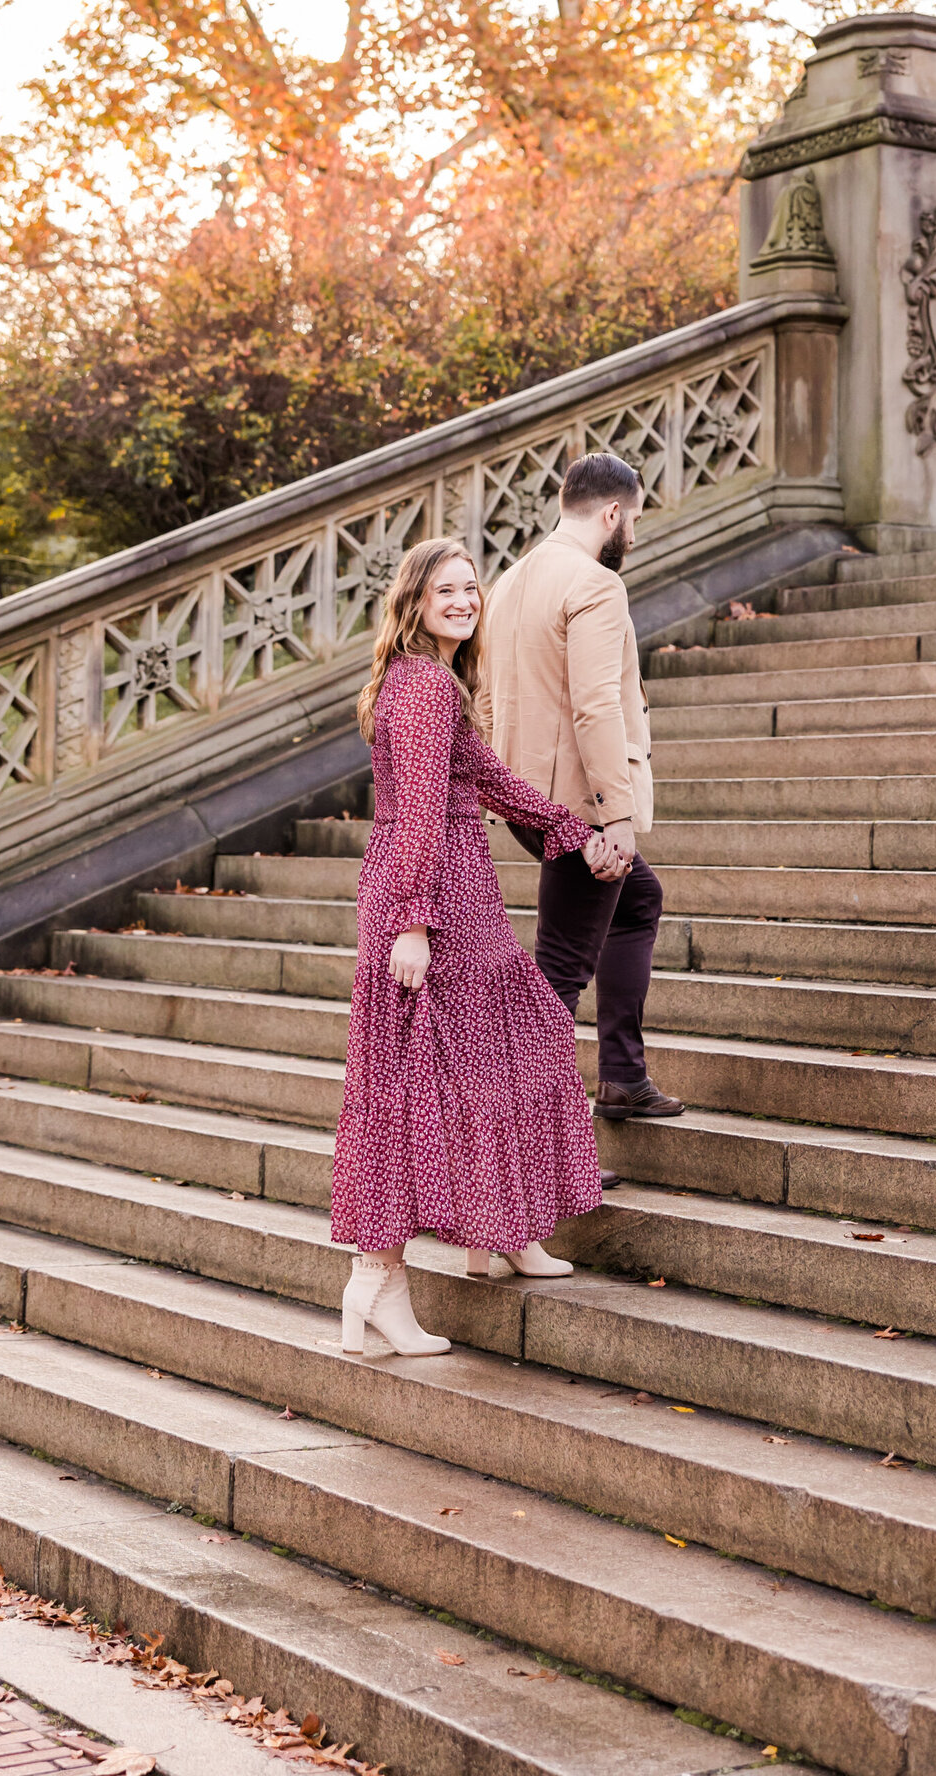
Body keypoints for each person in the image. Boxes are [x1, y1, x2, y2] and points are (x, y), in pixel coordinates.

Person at [330, 535, 625, 1359]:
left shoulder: (429, 681)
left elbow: (489, 779)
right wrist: (415, 922)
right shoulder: (424, 686)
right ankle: (380, 1282)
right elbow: (423, 808)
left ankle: (493, 1231)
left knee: (488, 1058)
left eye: (471, 588)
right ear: (415, 602)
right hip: (437, 897)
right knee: (441, 1074)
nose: (464, 600)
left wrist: (572, 829)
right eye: (447, 591)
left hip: (446, 891)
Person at [478, 451, 683, 1123]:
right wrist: (613, 816)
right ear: (613, 513)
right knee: (561, 968)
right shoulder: (594, 584)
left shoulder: (508, 583)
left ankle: (623, 1075)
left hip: (529, 800)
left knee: (636, 902)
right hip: (579, 804)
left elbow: (485, 701)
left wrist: (503, 790)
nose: (636, 536)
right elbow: (596, 707)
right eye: (637, 521)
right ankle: (542, 1141)